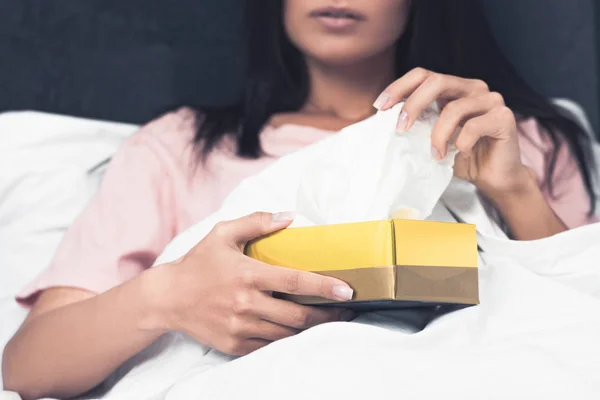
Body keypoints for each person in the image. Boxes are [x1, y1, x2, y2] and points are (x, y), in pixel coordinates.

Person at [3, 0, 598, 398]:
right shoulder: (180, 146)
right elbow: (26, 367)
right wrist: (168, 296)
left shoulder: (525, 137)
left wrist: (513, 189)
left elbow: (576, 322)